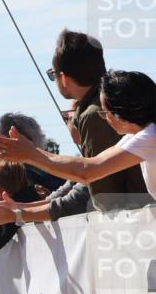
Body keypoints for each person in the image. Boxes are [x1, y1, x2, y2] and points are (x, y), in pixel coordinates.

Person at [0, 70, 156, 217]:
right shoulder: (141, 135)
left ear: (120, 110)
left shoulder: (149, 137)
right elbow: (86, 170)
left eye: (104, 112)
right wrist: (18, 209)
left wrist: (31, 154)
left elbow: (88, 171)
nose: (104, 118)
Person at [45, 31, 149, 209]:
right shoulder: (121, 95)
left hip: (139, 221)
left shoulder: (94, 115)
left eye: (53, 74)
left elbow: (105, 198)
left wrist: (30, 154)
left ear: (64, 78)